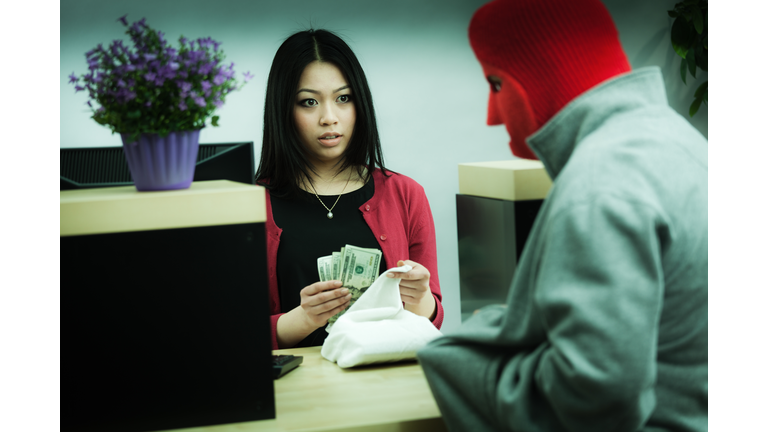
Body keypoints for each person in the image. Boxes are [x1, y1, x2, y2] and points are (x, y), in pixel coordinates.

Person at [417, 1, 708, 431]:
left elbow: (595, 398)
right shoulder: (683, 143)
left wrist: (454, 360)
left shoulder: (599, 184)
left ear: (531, 78)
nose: (491, 116)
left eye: (495, 84)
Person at [256, 29, 443, 350]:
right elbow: (231, 332)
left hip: (388, 377)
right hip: (297, 389)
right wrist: (303, 318)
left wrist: (422, 298)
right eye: (309, 102)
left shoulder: (406, 193)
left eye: (343, 98)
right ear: (283, 110)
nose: (329, 118)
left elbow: (433, 318)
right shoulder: (249, 204)